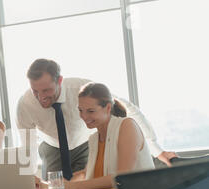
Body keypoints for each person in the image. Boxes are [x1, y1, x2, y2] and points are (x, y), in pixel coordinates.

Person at [16, 58, 177, 181]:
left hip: (83, 143)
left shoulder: (82, 88)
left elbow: (127, 108)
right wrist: (28, 178)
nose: (41, 97)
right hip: (52, 146)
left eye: (46, 90)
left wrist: (157, 150)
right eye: (35, 91)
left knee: (87, 187)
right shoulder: (25, 104)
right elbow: (27, 146)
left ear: (59, 81)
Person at [64, 82, 155, 189]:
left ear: (107, 108)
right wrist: (53, 184)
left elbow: (121, 177)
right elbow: (85, 173)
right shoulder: (94, 139)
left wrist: (73, 187)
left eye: (90, 111)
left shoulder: (127, 126)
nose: (84, 116)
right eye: (80, 110)